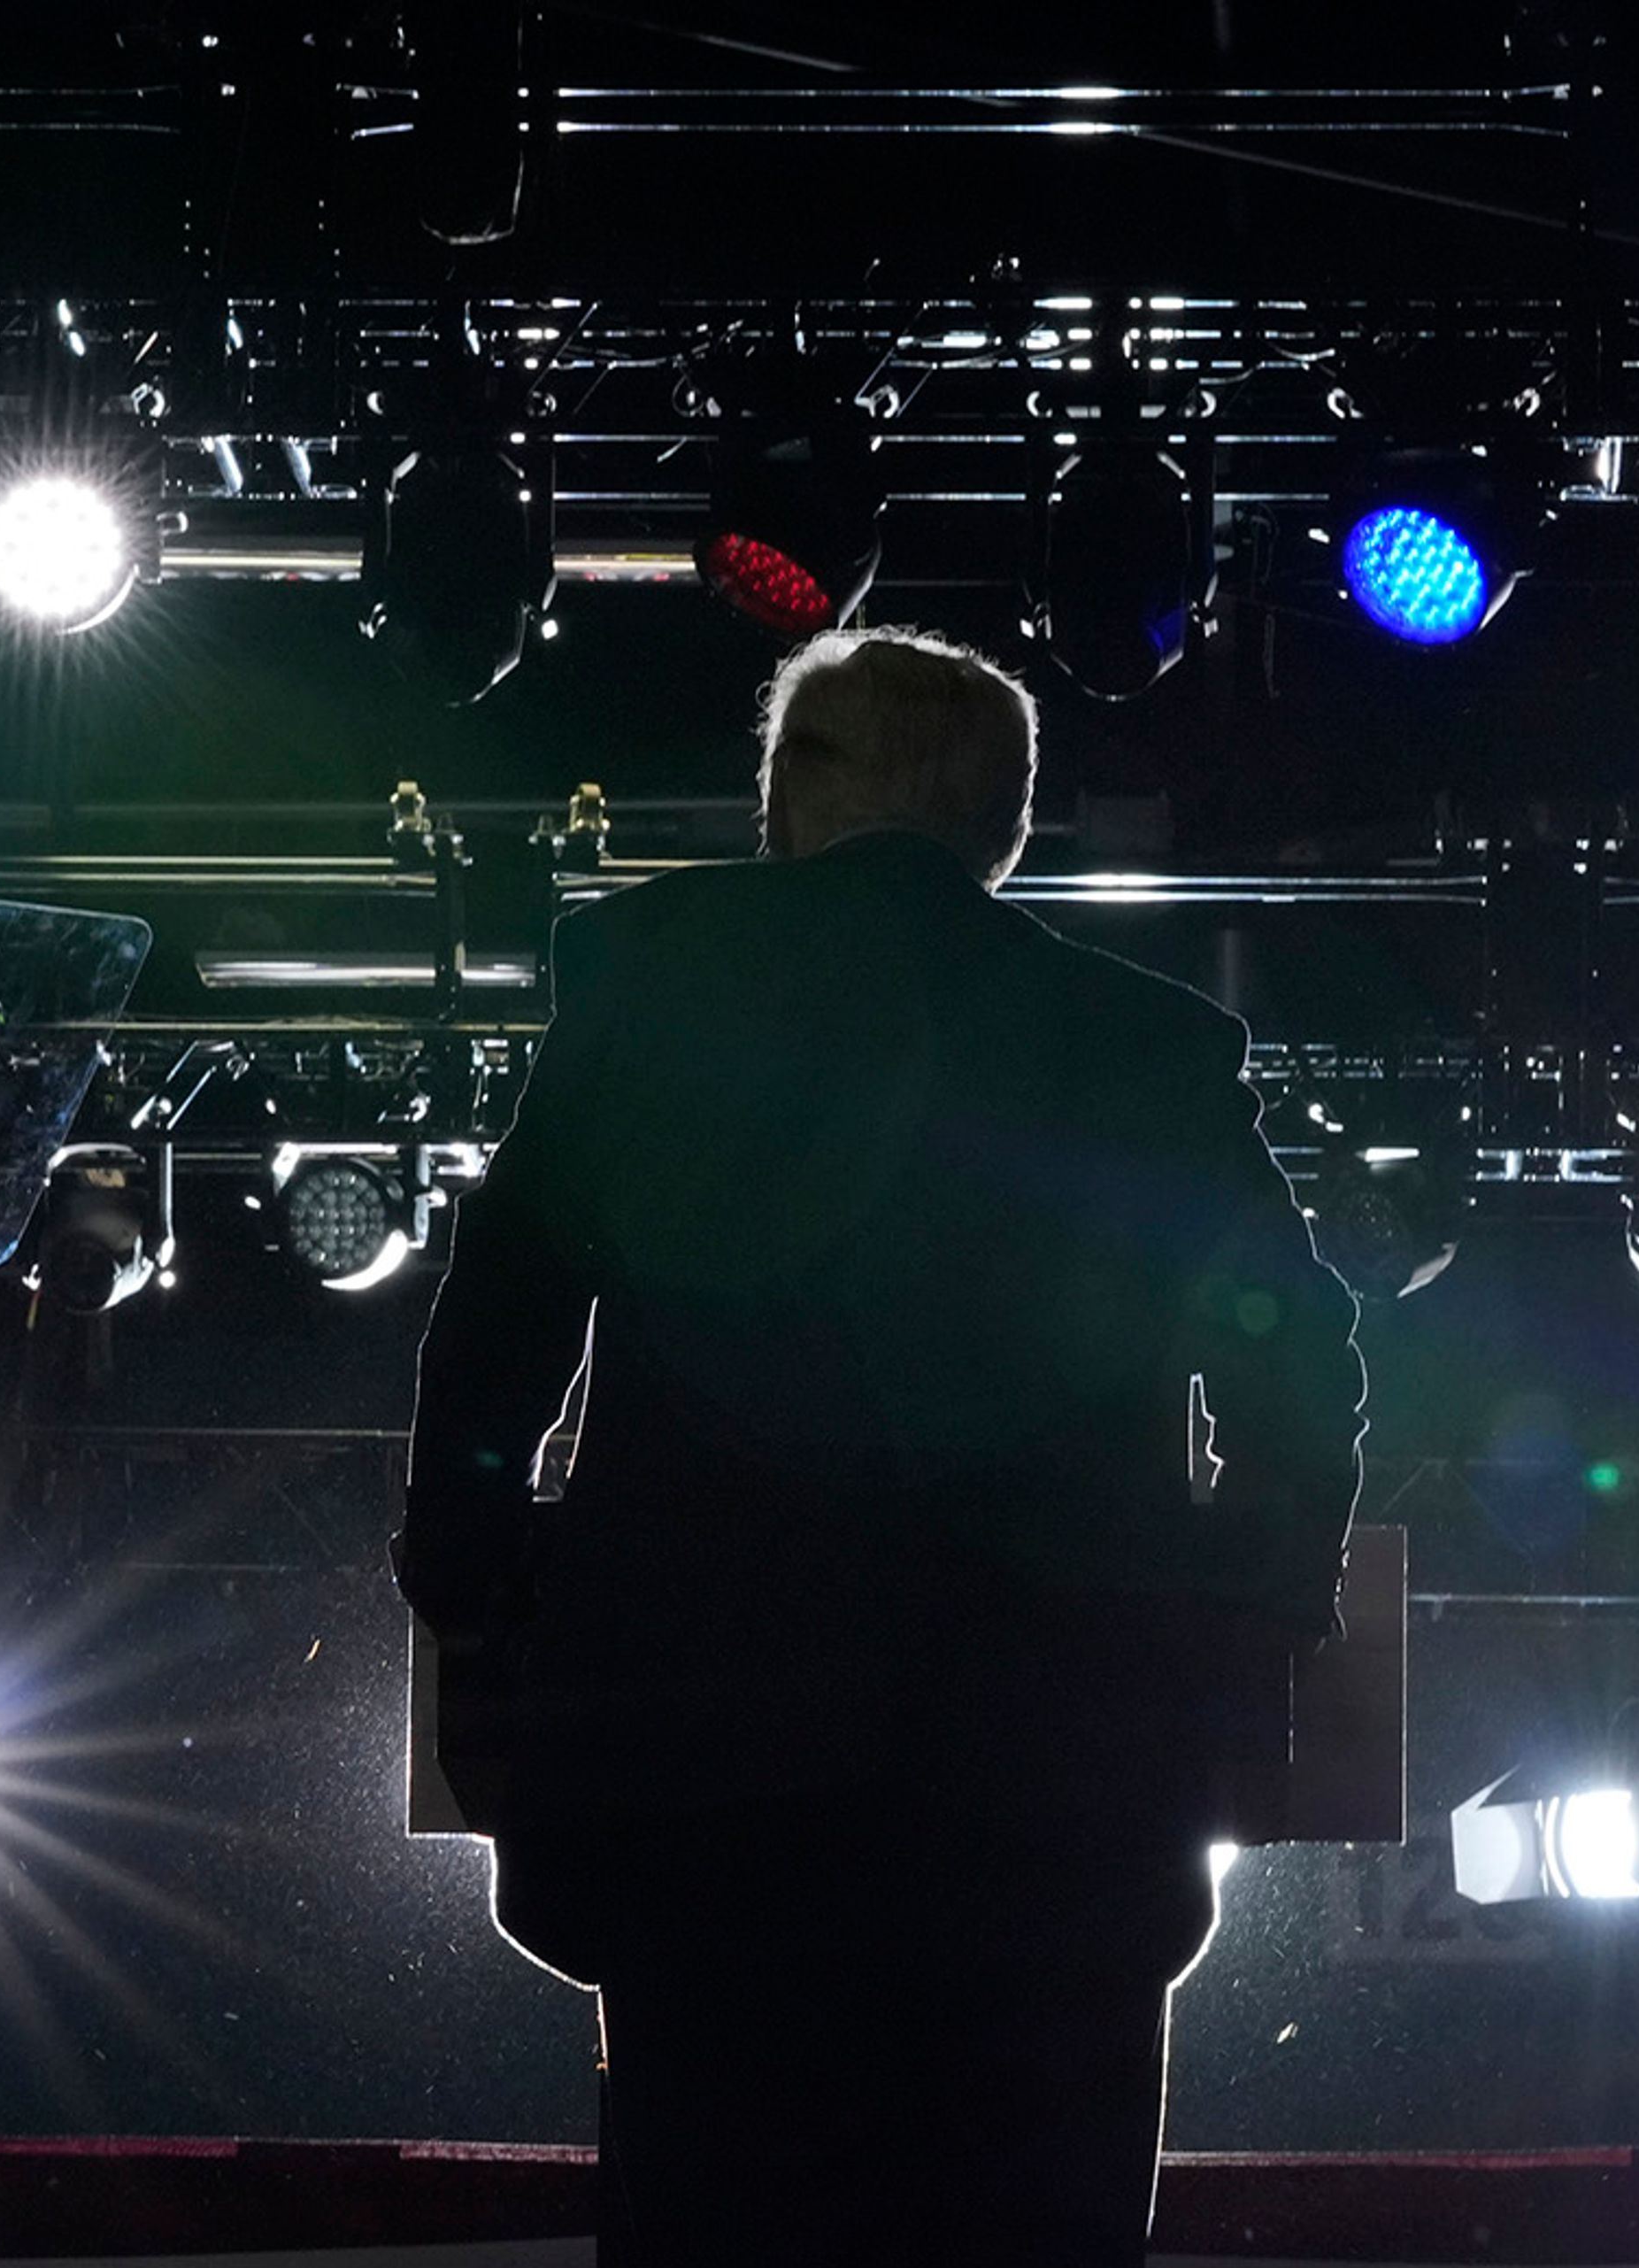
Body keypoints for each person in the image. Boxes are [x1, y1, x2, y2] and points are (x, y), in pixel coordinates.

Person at [396, 625, 1365, 2266]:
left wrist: (478, 1581)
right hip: (1057, 1777)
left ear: (788, 797)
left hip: (706, 1762)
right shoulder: (1147, 1044)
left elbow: (504, 1315)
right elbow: (1296, 1350)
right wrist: (1248, 1606)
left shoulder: (653, 980)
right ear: (1005, 823)